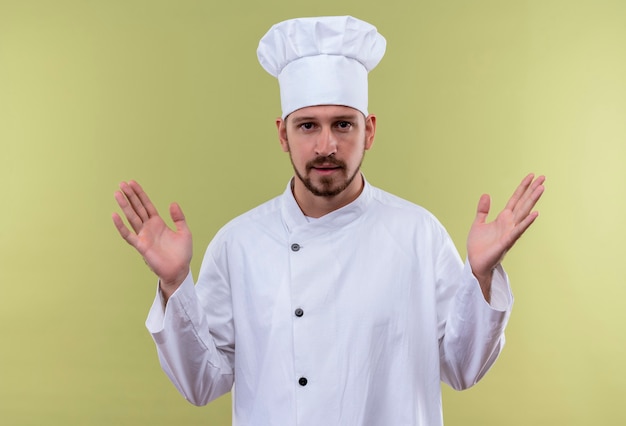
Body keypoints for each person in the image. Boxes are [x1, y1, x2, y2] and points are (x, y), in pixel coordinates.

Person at [112, 16, 545, 426]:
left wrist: (482, 276)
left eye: (343, 125)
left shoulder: (418, 234)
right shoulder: (238, 243)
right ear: (282, 134)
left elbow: (462, 368)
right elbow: (203, 383)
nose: (326, 146)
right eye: (307, 126)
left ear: (369, 131)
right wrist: (174, 286)